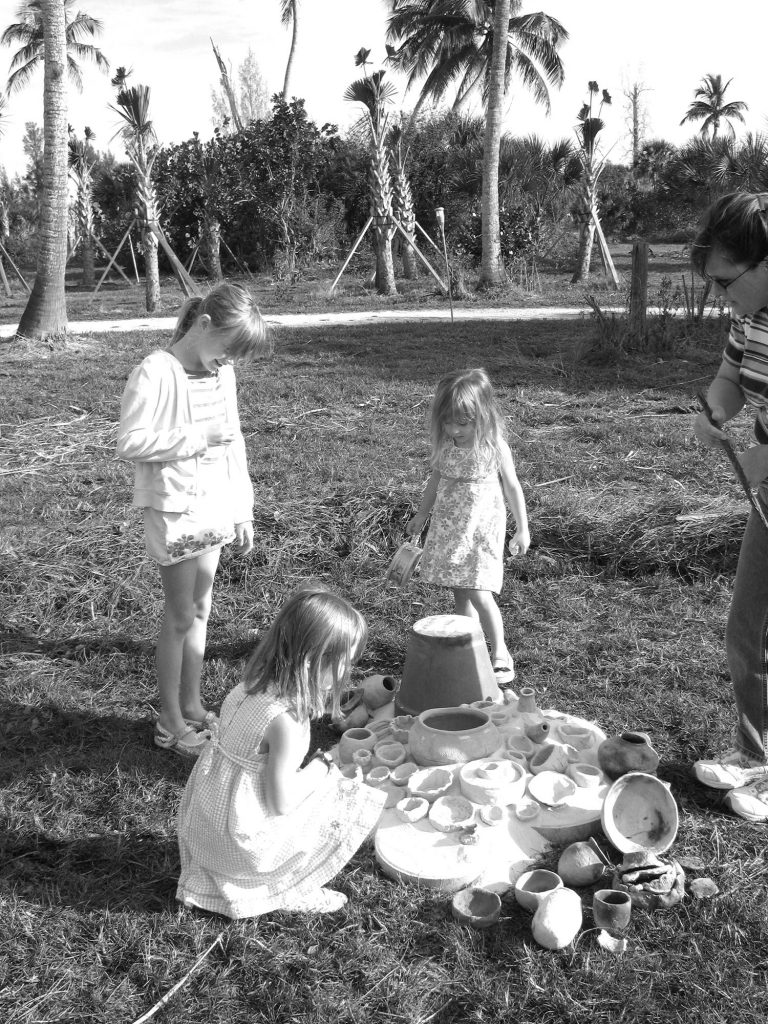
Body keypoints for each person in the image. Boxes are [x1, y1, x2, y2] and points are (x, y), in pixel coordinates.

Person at [117, 282, 271, 758]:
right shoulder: (155, 372)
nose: (230, 362)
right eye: (228, 349)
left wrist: (242, 508)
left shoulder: (221, 376)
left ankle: (191, 703)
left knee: (201, 612)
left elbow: (234, 443)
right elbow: (131, 442)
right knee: (180, 615)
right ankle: (168, 721)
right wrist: (195, 436)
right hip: (176, 511)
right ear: (204, 325)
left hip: (215, 505)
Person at [175, 588, 387, 917]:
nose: (346, 671)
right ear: (312, 660)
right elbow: (281, 803)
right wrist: (322, 767)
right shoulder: (285, 722)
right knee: (334, 791)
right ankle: (285, 887)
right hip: (240, 847)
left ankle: (231, 872)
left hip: (205, 830)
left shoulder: (246, 688)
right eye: (343, 662)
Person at [690, 191, 768, 822]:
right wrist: (716, 411)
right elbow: (732, 379)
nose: (719, 296)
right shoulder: (750, 316)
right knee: (750, 628)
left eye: (724, 281)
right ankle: (756, 752)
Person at [406, 367, 530, 685]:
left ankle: (500, 651)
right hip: (451, 527)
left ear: (483, 415)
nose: (454, 429)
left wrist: (522, 527)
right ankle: (469, 649)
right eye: (448, 422)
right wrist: (422, 515)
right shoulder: (446, 448)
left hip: (481, 529)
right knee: (461, 592)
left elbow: (513, 488)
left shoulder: (494, 447)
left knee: (479, 591)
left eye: (463, 422)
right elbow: (434, 484)